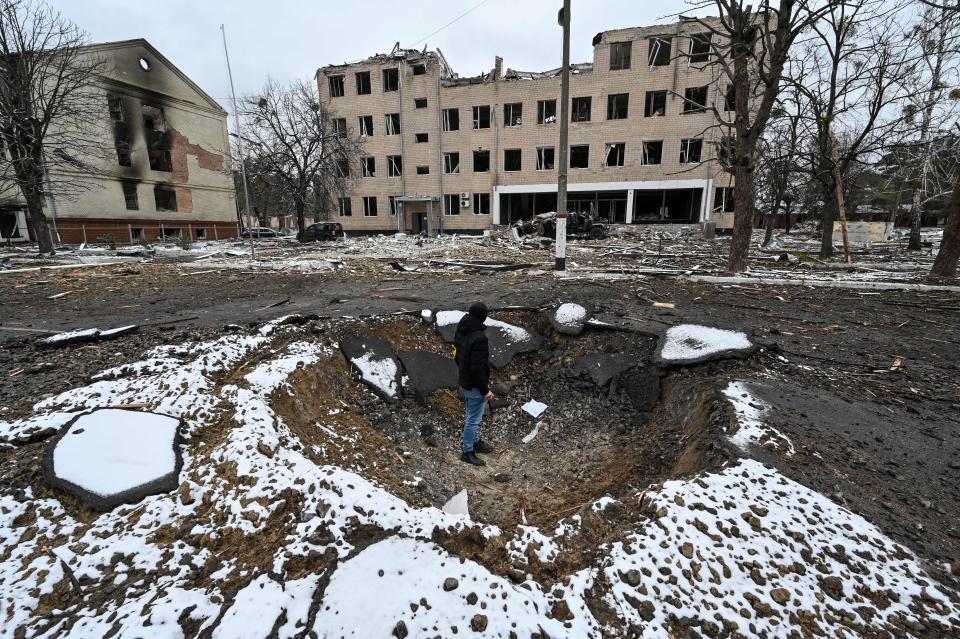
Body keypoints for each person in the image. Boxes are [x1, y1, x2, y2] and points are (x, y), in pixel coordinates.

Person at [454, 302, 495, 466]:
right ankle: (468, 451)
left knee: (472, 414)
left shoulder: (461, 329)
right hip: (474, 385)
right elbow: (477, 369)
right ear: (483, 317)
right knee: (473, 419)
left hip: (465, 380)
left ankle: (476, 441)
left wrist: (463, 373)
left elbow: (457, 355)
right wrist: (485, 390)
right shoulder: (479, 338)